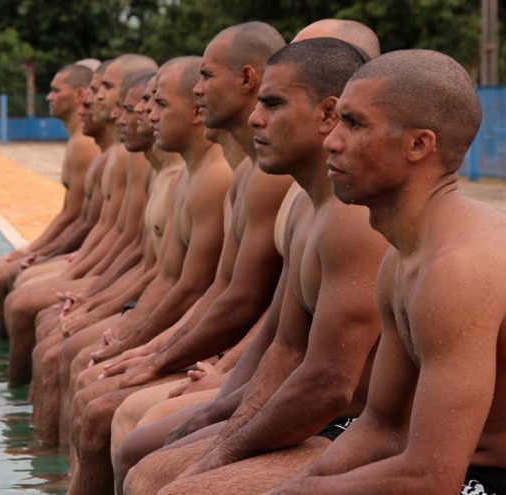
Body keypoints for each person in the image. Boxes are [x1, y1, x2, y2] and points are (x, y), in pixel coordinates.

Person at [113, 19, 381, 490]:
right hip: (318, 407)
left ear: (329, 112)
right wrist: (216, 410)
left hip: (357, 425)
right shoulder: (305, 205)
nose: (256, 118)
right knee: (144, 455)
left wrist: (220, 449)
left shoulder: (353, 218)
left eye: (272, 104)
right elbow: (281, 342)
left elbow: (326, 385)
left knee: (162, 474)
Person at [272, 49, 506, 495]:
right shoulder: (402, 257)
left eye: (354, 124)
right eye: (337, 121)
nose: (330, 141)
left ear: (419, 145)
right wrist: (300, 483)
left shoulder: (458, 272)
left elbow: (430, 477)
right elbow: (382, 425)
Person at [67, 56, 233, 495]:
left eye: (154, 103)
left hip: (242, 364)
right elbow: (164, 271)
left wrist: (161, 355)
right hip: (226, 352)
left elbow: (211, 292)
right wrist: (112, 319)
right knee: (76, 359)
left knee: (101, 396)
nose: (141, 114)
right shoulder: (205, 178)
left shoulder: (219, 179)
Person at [2, 54, 157, 387]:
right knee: (20, 289)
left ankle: (17, 405)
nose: (93, 97)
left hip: (132, 285)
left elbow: (128, 244)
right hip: (119, 276)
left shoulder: (135, 161)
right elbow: (108, 230)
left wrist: (95, 294)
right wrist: (71, 268)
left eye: (104, 87)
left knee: (26, 305)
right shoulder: (122, 157)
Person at [0, 63, 100, 340]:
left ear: (78, 94)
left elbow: (78, 218)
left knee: (4, 278)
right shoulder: (77, 140)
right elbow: (69, 214)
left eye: (55, 90)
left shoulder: (84, 144)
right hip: (86, 248)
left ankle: (3, 364)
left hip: (88, 250)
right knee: (2, 270)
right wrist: (35, 248)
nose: (48, 97)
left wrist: (38, 251)